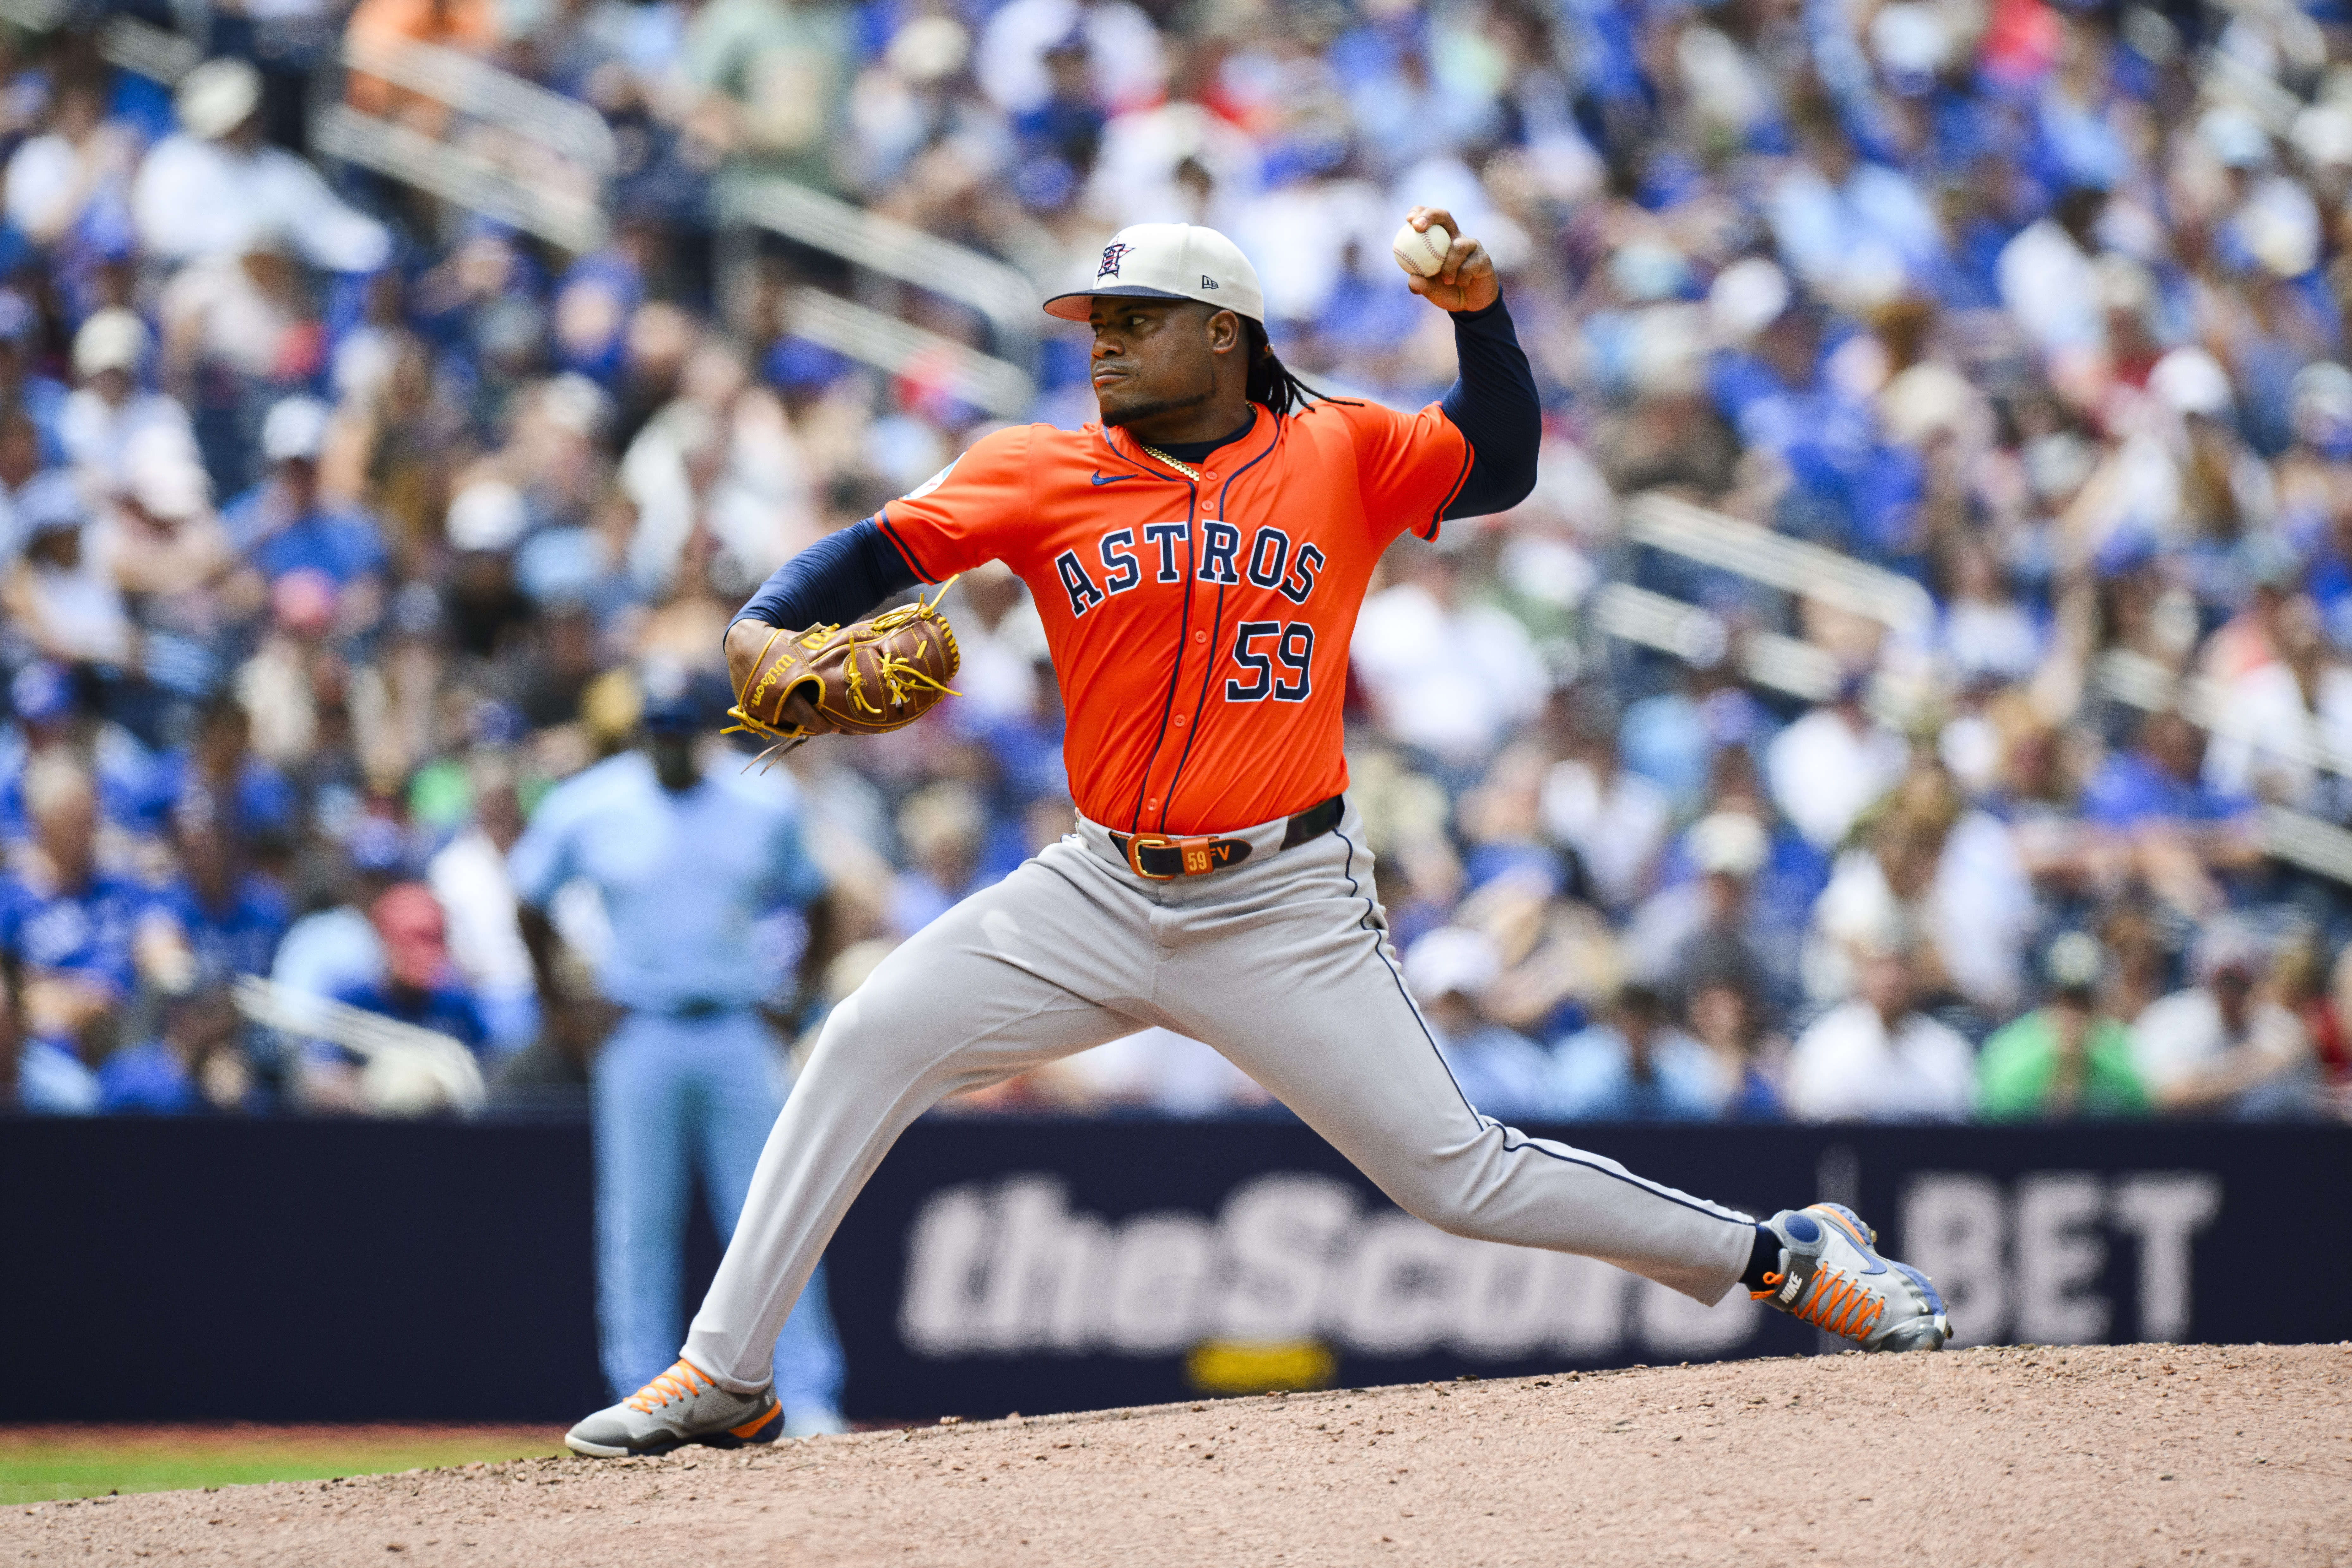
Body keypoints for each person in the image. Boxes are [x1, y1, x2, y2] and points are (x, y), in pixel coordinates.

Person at [564, 215, 1950, 1459]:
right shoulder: (1036, 470)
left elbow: (1504, 465)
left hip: (1279, 900)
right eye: (1093, 324)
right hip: (1095, 887)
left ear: (1223, 335)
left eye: (1135, 320)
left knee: (1454, 1175)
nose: (1102, 345)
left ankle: (1783, 1258)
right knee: (864, 1039)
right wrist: (759, 625)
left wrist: (1477, 313)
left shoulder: (1339, 449)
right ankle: (726, 1372)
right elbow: (869, 556)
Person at [512, 679, 848, 1440]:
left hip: (736, 1023)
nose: (666, 740)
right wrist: (561, 1006)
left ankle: (806, 1392)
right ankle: (638, 1388)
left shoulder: (760, 798)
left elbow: (820, 898)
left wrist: (794, 999)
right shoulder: (592, 802)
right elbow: (529, 900)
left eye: (678, 726)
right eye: (654, 727)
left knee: (773, 1211)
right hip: (640, 1026)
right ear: (639, 730)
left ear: (702, 728)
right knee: (638, 1219)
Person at [1785, 926, 1977, 1122]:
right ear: (1860, 974)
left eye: (1900, 967)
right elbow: (1810, 1113)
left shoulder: (1946, 1048)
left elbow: (1957, 1115)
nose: (1891, 980)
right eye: (1880, 966)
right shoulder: (1825, 1043)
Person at [1977, 933, 2148, 1121]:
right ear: (2045, 1002)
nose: (2073, 1016)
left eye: (2083, 1004)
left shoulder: (2122, 1053)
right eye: (2064, 1002)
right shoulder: (2009, 1056)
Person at [1549, 982, 1727, 1121]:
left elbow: (1701, 1116)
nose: (1638, 1030)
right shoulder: (1580, 1060)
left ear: (1658, 1023)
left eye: (1646, 1020)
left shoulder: (1685, 1064)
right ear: (1615, 1022)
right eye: (1630, 1020)